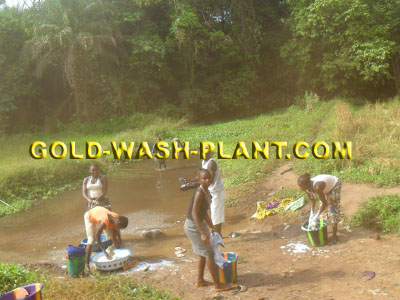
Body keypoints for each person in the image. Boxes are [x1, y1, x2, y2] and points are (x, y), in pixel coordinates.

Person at [184, 169, 232, 292]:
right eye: (204, 178)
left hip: (198, 224)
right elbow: (194, 213)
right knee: (209, 253)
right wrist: (202, 233)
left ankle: (200, 281)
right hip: (193, 226)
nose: (207, 180)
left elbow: (203, 212)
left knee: (203, 253)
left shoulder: (206, 192)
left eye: (209, 178)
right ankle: (218, 285)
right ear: (200, 180)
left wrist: (211, 226)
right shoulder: (200, 193)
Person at [185, 147, 226, 235]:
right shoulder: (204, 161)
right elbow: (200, 176)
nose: (200, 154)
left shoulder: (211, 163)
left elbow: (209, 180)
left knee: (216, 215)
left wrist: (193, 185)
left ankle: (218, 235)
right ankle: (217, 234)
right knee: (211, 213)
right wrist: (190, 181)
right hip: (210, 192)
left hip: (216, 192)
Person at [297, 173, 342, 244]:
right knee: (323, 214)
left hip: (334, 185)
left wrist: (317, 214)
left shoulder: (318, 186)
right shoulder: (306, 188)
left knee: (332, 209)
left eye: (301, 186)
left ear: (307, 184)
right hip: (325, 189)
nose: (300, 188)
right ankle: (323, 232)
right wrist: (312, 213)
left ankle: (334, 235)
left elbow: (325, 203)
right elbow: (312, 200)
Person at [84, 206, 128, 270]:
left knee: (111, 238)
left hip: (99, 212)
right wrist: (104, 251)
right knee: (91, 240)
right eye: (118, 227)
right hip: (89, 216)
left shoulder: (116, 217)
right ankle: (87, 264)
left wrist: (119, 244)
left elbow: (115, 236)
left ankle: (113, 255)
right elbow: (97, 236)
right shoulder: (104, 223)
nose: (118, 229)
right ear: (117, 222)